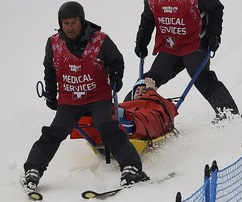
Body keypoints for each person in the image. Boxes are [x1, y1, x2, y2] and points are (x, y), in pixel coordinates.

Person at [22, 1, 149, 193]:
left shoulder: (100, 40)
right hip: (69, 97)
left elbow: (116, 60)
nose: (70, 28)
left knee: (107, 127)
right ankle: (33, 169)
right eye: (66, 23)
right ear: (60, 23)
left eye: (74, 23)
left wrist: (116, 77)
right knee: (55, 131)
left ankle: (131, 166)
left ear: (82, 21)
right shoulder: (53, 43)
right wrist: (51, 92)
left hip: (97, 95)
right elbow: (50, 68)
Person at [133, 0, 239, 121]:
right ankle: (130, 114)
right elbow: (148, 17)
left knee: (202, 78)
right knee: (146, 81)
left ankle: (230, 115)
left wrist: (214, 34)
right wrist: (142, 39)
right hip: (170, 46)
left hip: (195, 45)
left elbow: (216, 8)